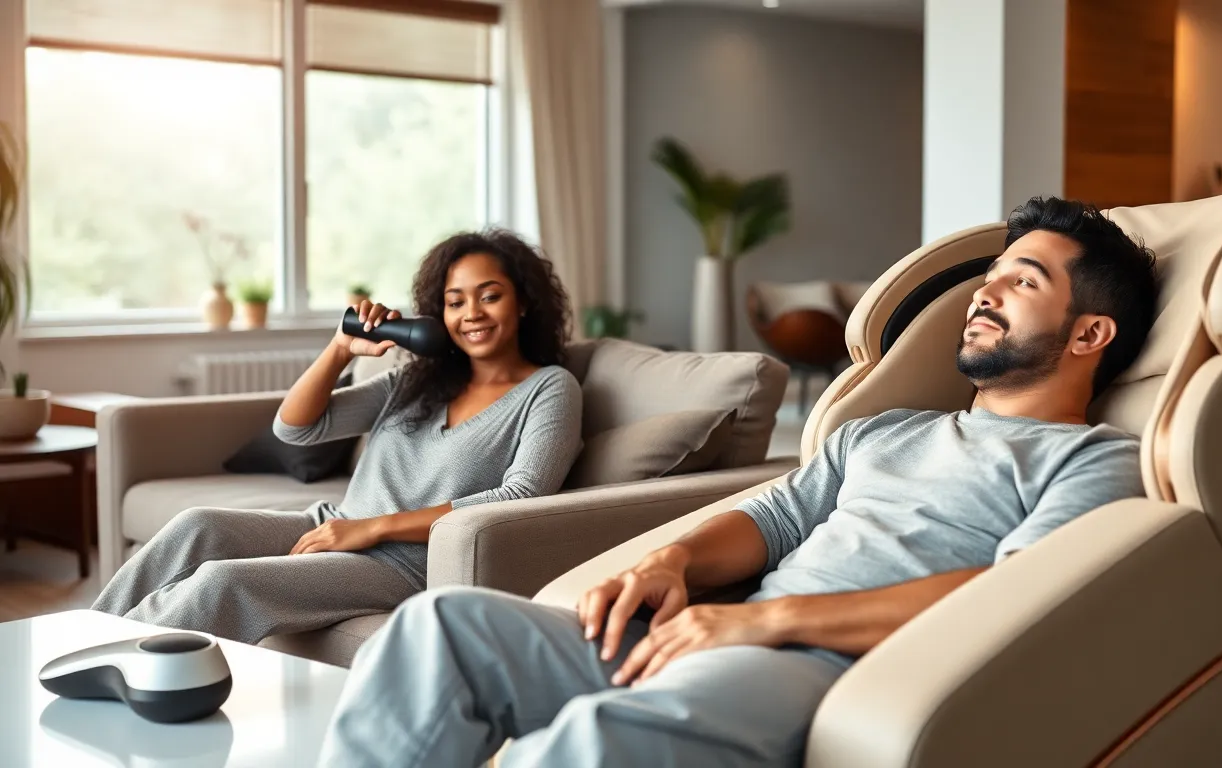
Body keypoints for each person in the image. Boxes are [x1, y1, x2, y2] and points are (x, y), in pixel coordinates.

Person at [317, 198, 1160, 768]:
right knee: (440, 627)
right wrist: (672, 561)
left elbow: (1017, 596)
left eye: (1024, 280)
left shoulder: (1091, 460)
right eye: (995, 272)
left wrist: (767, 619)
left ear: (1090, 332)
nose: (988, 290)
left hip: (821, 662)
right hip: (722, 629)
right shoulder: (885, 430)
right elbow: (777, 518)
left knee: (591, 744)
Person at [92, 229, 583, 645]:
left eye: (489, 295)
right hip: (334, 524)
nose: (470, 312)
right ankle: (83, 639)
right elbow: (296, 427)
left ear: (523, 303)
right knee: (196, 525)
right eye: (455, 301)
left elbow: (520, 495)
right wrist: (340, 349)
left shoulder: (549, 388)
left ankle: (109, 670)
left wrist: (373, 529)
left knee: (225, 582)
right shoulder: (415, 380)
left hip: (406, 564)